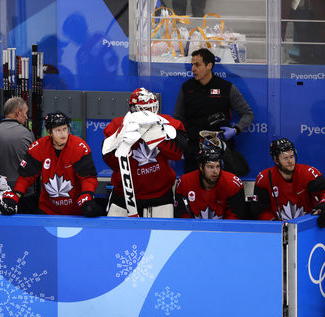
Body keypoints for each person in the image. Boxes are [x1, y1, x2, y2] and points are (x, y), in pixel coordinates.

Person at [103, 88, 187, 218]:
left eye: (151, 108)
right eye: (144, 109)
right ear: (133, 109)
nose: (149, 113)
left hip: (160, 194)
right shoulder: (117, 125)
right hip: (125, 194)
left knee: (161, 235)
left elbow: (177, 154)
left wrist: (159, 136)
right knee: (117, 235)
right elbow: (112, 162)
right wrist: (121, 138)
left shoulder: (166, 122)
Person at [0, 111, 101, 217]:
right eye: (58, 130)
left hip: (76, 212)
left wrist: (87, 194)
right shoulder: (38, 147)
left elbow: (88, 177)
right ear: (49, 132)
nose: (63, 134)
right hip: (47, 211)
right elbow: (26, 177)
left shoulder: (79, 147)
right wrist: (16, 195)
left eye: (65, 129)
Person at [173, 48, 254, 173]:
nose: (193, 69)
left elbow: (248, 114)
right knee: (193, 188)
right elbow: (177, 119)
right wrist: (183, 144)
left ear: (209, 66)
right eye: (192, 65)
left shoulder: (226, 88)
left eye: (197, 65)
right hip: (194, 152)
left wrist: (235, 130)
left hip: (220, 151)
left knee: (222, 189)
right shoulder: (186, 88)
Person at [250, 138, 325, 225]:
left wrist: (323, 205)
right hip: (279, 229)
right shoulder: (264, 178)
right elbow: (259, 209)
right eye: (285, 158)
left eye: (291, 156)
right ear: (276, 160)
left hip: (307, 226)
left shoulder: (309, 173)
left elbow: (323, 192)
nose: (290, 161)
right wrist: (272, 222)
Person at [174, 146, 248, 219]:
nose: (215, 171)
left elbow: (235, 217)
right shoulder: (185, 182)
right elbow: (182, 216)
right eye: (210, 167)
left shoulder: (232, 184)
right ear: (201, 167)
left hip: (224, 229)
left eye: (218, 166)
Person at [0, 97, 36, 213]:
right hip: (24, 194)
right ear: (18, 112)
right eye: (26, 113)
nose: (27, 117)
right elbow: (34, 164)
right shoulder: (27, 134)